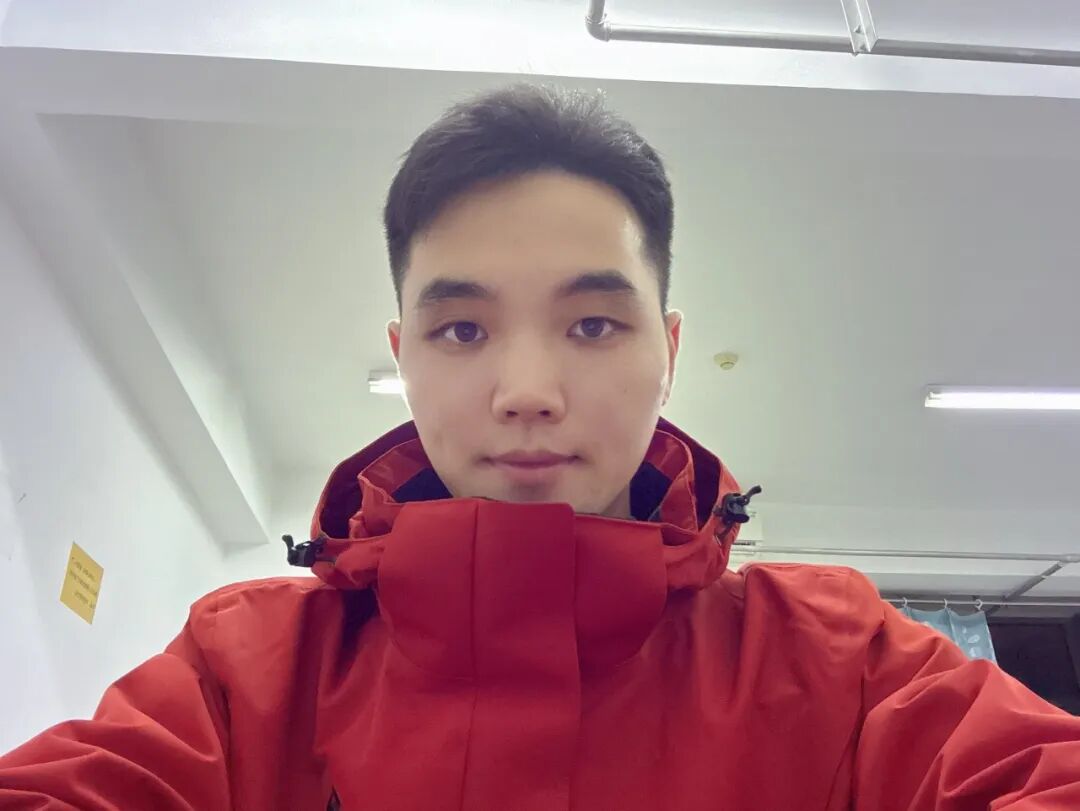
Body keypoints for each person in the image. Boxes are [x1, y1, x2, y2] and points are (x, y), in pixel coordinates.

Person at [1, 84, 1078, 811]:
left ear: (668, 352)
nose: (526, 391)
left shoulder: (835, 657)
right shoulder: (249, 670)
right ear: (404, 357)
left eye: (593, 324)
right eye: (462, 330)